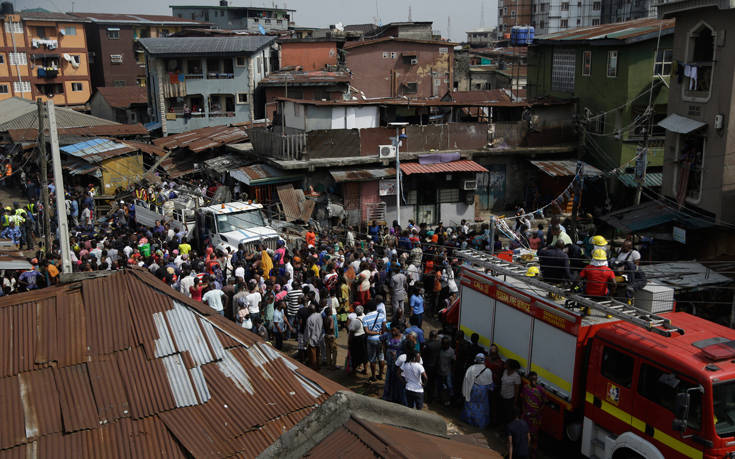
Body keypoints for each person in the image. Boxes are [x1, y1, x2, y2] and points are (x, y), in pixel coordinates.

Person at [461, 353, 495, 428]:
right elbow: (491, 386)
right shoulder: (488, 371)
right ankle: (479, 424)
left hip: (472, 390)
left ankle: (469, 421)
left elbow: (466, 380)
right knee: (481, 408)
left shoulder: (471, 368)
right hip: (483, 392)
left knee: (470, 405)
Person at [521, 371, 546, 455]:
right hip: (526, 415)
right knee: (525, 433)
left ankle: (533, 452)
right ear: (529, 379)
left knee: (534, 435)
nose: (534, 381)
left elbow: (544, 403)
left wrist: (537, 412)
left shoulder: (541, 390)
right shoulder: (525, 388)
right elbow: (524, 399)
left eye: (535, 379)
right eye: (532, 379)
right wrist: (524, 410)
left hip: (536, 417)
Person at [362, 299, 387, 382]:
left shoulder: (365, 318)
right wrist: (379, 333)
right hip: (380, 339)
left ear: (368, 308)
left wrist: (375, 332)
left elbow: (367, 331)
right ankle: (381, 375)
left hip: (371, 340)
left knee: (372, 359)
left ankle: (373, 376)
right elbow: (384, 329)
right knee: (381, 357)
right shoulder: (381, 316)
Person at [382, 325, 407, 405]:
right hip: (390, 362)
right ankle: (387, 396)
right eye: (392, 330)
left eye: (394, 330)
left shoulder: (404, 338)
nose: (393, 332)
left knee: (396, 380)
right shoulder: (388, 335)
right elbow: (382, 341)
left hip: (398, 364)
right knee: (388, 379)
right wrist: (385, 354)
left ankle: (395, 398)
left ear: (399, 330)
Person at [501, 359, 522, 426]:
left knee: (508, 415)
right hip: (502, 395)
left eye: (506, 364)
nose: (505, 364)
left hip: (509, 398)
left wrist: (515, 400)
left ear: (510, 366)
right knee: (502, 413)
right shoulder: (505, 371)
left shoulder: (516, 376)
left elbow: (517, 390)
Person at [347, 307, 368, 375]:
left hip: (357, 339)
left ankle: (354, 371)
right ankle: (365, 369)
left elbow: (351, 332)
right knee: (364, 355)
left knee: (355, 355)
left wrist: (349, 342)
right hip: (364, 337)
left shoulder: (355, 321)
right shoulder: (365, 317)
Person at [438, 336, 456, 406]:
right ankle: (440, 398)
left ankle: (450, 400)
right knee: (439, 386)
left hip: (447, 372)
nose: (443, 345)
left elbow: (453, 362)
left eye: (444, 344)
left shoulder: (451, 351)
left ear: (448, 344)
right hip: (439, 371)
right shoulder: (439, 349)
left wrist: (452, 371)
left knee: (449, 386)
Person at [305, 305, 323, 370]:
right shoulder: (319, 315)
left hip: (313, 338)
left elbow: (308, 331)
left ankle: (314, 367)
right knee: (318, 353)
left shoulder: (309, 319)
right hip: (319, 337)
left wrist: (306, 340)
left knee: (313, 354)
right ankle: (318, 365)